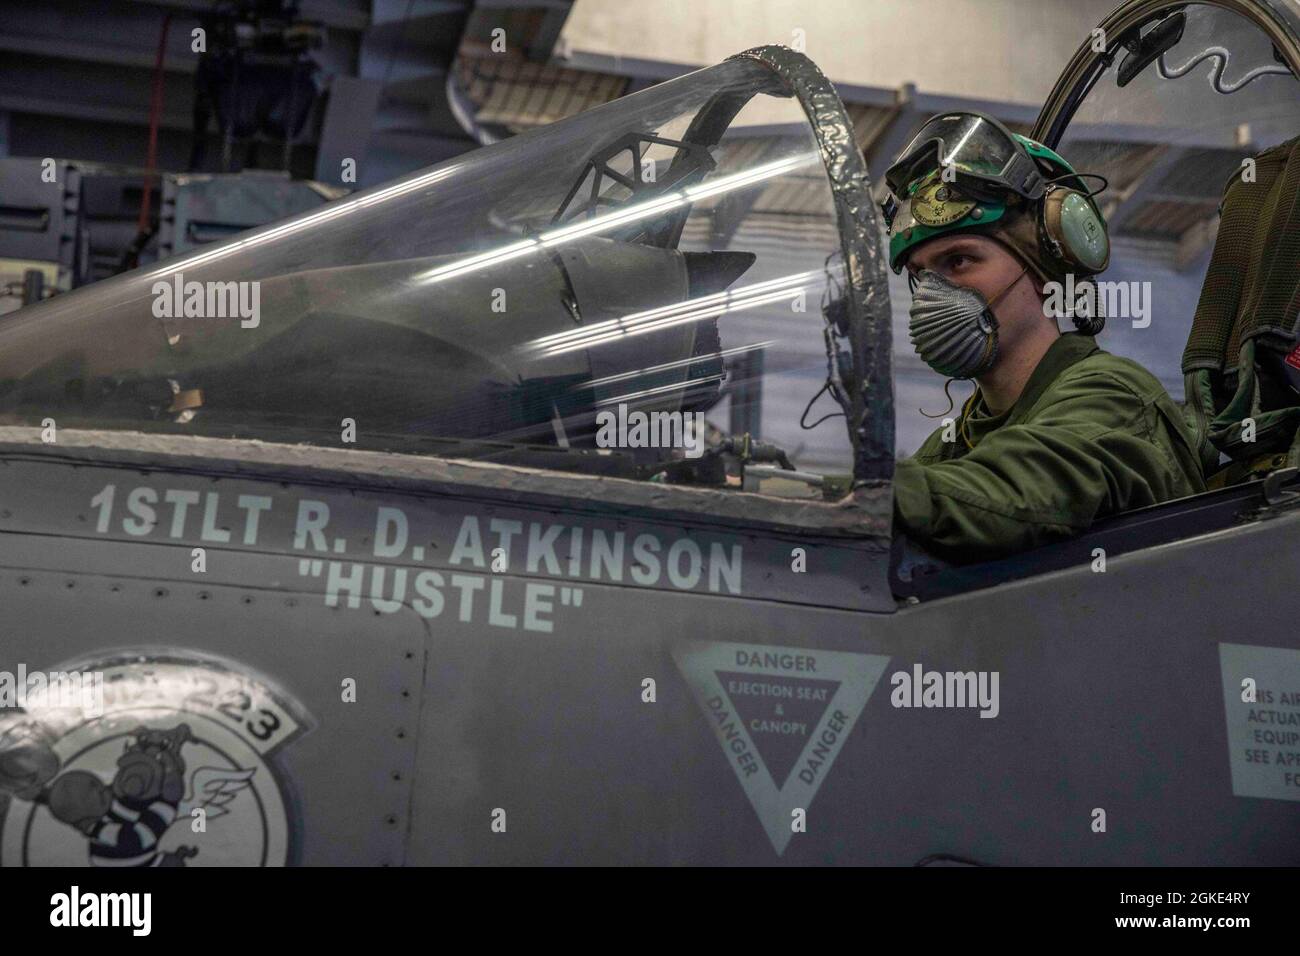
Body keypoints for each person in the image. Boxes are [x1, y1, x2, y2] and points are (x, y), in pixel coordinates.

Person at [881, 111, 1205, 562]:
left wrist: (868, 491)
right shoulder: (961, 437)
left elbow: (1018, 488)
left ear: (1044, 270)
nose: (932, 293)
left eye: (958, 261)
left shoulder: (1113, 396)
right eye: (921, 274)